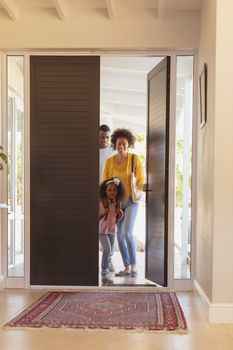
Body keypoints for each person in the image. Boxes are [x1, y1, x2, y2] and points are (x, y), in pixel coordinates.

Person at [102, 128, 145, 277]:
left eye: (124, 144)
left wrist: (143, 187)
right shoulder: (109, 162)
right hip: (118, 204)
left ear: (129, 145)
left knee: (128, 233)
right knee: (119, 235)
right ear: (115, 144)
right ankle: (127, 267)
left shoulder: (135, 159)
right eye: (119, 143)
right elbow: (105, 182)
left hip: (132, 201)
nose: (121, 146)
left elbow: (140, 180)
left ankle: (134, 266)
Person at [99, 177, 125, 285]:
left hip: (112, 230)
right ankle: (104, 273)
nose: (112, 192)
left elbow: (117, 217)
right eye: (110, 190)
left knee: (110, 252)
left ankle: (108, 265)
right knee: (107, 249)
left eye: (114, 190)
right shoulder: (101, 201)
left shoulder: (117, 202)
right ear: (105, 190)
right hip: (102, 230)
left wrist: (120, 214)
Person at [99, 124, 116, 272]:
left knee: (110, 227)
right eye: (102, 137)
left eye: (107, 137)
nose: (104, 140)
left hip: (108, 194)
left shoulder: (113, 152)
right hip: (94, 194)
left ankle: (108, 260)